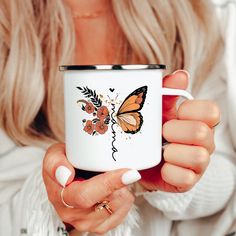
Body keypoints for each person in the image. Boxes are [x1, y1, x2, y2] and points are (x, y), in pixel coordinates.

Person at [0, 0, 235, 236]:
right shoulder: (7, 23)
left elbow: (228, 182)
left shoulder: (193, 14)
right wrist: (49, 202)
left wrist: (175, 169)